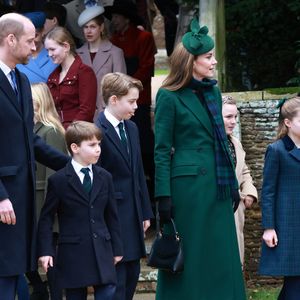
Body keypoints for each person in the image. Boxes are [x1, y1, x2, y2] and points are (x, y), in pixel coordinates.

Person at [154, 18, 246, 300]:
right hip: (187, 190)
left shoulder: (214, 92)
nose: (214, 61)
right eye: (208, 56)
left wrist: (232, 182)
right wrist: (163, 196)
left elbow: (221, 143)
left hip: (217, 186)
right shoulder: (168, 96)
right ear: (191, 61)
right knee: (190, 257)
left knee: (220, 254)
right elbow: (161, 150)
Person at [0, 13, 69, 300]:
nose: (34, 48)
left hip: (21, 199)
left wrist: (71, 165)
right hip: (4, 202)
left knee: (12, 275)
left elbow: (29, 140)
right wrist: (0, 195)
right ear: (10, 39)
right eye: (30, 41)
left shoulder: (21, 80)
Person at [38, 120, 123, 300]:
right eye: (92, 145)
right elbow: (46, 218)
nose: (98, 149)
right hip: (73, 254)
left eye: (99, 144)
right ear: (75, 148)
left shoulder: (105, 177)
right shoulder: (59, 180)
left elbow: (112, 216)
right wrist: (46, 251)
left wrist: (117, 248)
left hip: (102, 250)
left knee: (108, 293)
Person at [95, 72, 153, 300]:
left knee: (132, 274)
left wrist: (146, 212)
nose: (136, 106)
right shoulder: (97, 131)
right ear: (114, 100)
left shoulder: (132, 128)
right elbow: (97, 183)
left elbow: (138, 173)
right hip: (113, 217)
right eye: (131, 101)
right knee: (116, 282)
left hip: (134, 214)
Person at [105, 0, 157, 204]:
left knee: (143, 141)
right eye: (113, 17)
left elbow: (147, 66)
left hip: (139, 98)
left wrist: (128, 87)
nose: (114, 20)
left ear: (126, 18)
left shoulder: (144, 37)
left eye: (117, 16)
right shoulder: (114, 40)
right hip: (120, 97)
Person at [259, 96, 300, 299]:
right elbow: (267, 192)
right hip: (288, 226)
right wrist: (268, 227)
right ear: (288, 122)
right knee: (294, 281)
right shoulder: (276, 150)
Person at [31, 82, 68, 300]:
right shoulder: (32, 129)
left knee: (51, 259)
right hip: (33, 200)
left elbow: (54, 176)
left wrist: (51, 213)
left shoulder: (51, 132)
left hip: (43, 202)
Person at [222, 95, 258, 267]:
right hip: (217, 210)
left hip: (236, 211)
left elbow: (244, 170)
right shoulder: (208, 145)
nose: (234, 121)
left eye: (235, 116)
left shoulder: (235, 143)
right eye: (228, 117)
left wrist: (249, 191)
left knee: (236, 261)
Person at [77, 5, 126, 117]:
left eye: (93, 27)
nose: (88, 31)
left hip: (107, 112)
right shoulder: (77, 54)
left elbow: (121, 87)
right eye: (85, 27)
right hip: (83, 113)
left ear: (101, 27)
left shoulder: (115, 52)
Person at [45, 26, 97, 129]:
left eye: (52, 49)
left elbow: (87, 111)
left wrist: (69, 132)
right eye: (47, 50)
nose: (49, 54)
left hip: (79, 134)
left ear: (66, 47)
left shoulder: (84, 72)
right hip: (57, 132)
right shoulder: (52, 77)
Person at [17, 11, 57, 83]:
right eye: (27, 37)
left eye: (35, 36)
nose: (32, 41)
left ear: (43, 31)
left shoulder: (55, 54)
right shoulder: (15, 57)